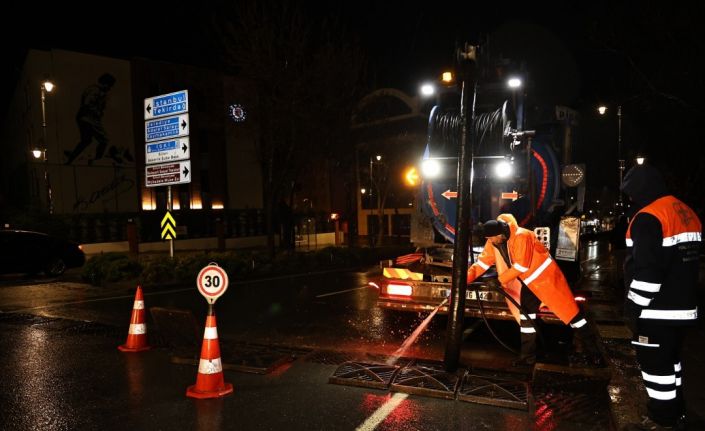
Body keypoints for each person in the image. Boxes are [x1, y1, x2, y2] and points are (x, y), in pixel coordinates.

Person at [621, 165, 701, 431]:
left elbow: (648, 273)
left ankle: (661, 420)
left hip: (656, 312)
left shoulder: (648, 217)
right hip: (683, 310)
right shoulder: (685, 212)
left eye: (631, 193)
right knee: (672, 363)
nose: (631, 199)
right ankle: (676, 412)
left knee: (656, 367)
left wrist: (633, 307)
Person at [466, 213, 600, 366]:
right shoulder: (495, 242)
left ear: (501, 233)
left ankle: (594, 353)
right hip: (528, 284)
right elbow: (482, 263)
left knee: (573, 317)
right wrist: (465, 279)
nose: (490, 242)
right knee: (526, 317)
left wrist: (499, 280)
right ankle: (527, 357)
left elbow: (521, 266)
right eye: (488, 239)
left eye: (492, 238)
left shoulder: (523, 236)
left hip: (547, 281)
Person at [64, 73, 133, 165]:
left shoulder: (99, 92)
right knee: (104, 139)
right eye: (109, 85)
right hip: (89, 118)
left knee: (86, 141)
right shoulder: (95, 90)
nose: (110, 88)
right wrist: (97, 111)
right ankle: (97, 160)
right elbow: (87, 103)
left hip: (85, 118)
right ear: (105, 83)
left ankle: (71, 158)